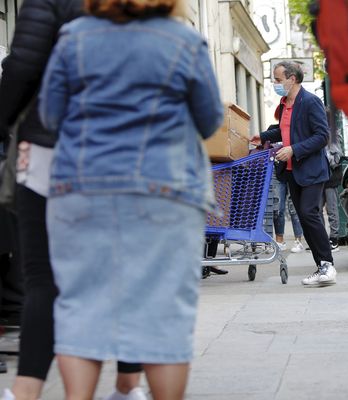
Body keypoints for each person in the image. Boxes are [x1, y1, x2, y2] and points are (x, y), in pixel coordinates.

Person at [38, 0, 223, 398]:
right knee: (164, 313)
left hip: (80, 187)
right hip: (164, 190)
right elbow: (209, 120)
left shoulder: (73, 38)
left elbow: (50, 116)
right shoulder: (184, 41)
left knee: (79, 307)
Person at [0, 1, 147, 399]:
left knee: (43, 276)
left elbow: (22, 67)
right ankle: (128, 385)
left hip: (51, 146)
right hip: (125, 150)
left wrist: (4, 121)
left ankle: (27, 389)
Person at [251, 61, 335, 286]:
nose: (274, 83)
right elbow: (287, 130)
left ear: (292, 79)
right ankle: (322, 267)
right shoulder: (286, 104)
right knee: (306, 219)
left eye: (277, 80)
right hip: (292, 172)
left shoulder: (310, 101)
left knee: (309, 214)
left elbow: (322, 136)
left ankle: (327, 264)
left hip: (311, 170)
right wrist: (264, 136)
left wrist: (294, 149)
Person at [321, 139, 342, 252]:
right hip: (318, 177)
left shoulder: (331, 135)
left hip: (331, 176)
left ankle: (334, 239)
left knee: (331, 209)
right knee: (317, 209)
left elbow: (337, 157)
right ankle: (321, 238)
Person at [274, 178, 305, 253]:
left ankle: (298, 241)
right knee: (277, 207)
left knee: (294, 207)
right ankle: (279, 241)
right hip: (278, 172)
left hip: (293, 171)